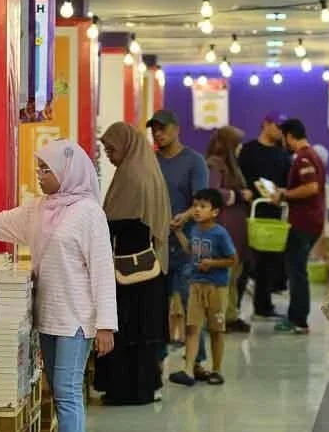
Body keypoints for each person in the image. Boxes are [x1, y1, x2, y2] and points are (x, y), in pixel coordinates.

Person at [0, 139, 117, 432]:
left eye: (47, 170)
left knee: (66, 393)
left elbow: (102, 272)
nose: (40, 175)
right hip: (47, 315)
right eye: (39, 168)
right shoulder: (40, 210)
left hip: (77, 319)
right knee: (63, 391)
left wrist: (106, 324)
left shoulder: (89, 213)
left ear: (68, 172)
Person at [98, 121, 171, 405]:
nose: (108, 154)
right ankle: (144, 387)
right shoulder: (148, 169)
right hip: (150, 269)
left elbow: (117, 223)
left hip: (130, 272)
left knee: (129, 332)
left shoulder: (131, 176)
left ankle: (126, 390)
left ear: (126, 146)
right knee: (144, 333)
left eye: (111, 148)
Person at [147, 109, 211, 377]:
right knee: (156, 305)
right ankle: (156, 359)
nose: (158, 134)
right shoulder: (151, 162)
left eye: (162, 129)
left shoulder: (194, 162)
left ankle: (198, 360)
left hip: (187, 245)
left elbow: (202, 202)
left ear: (176, 129)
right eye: (154, 130)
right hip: (157, 244)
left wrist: (183, 217)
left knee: (190, 303)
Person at [168, 188, 237, 386]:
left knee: (216, 330)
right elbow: (190, 249)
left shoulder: (220, 234)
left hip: (216, 288)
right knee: (192, 327)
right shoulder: (195, 230)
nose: (197, 210)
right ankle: (188, 370)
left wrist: (212, 264)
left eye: (203, 206)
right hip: (196, 285)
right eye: (195, 205)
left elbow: (233, 259)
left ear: (214, 212)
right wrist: (179, 232)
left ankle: (217, 370)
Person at [272, 118, 326, 334]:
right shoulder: (313, 155)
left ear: (289, 136)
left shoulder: (303, 158)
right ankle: (297, 316)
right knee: (297, 270)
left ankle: (298, 320)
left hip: (303, 222)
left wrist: (284, 194)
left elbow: (311, 187)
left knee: (296, 272)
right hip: (311, 220)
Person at [237, 111, 292, 321]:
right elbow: (240, 178)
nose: (280, 132)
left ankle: (263, 304)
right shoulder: (248, 151)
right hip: (250, 211)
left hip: (274, 214)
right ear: (266, 124)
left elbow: (288, 183)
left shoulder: (283, 154)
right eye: (277, 127)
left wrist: (281, 192)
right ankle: (235, 306)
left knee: (270, 261)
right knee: (247, 261)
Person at [205, 126, 253, 333]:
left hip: (235, 227)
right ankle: (220, 317)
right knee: (225, 274)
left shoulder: (230, 165)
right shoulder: (215, 164)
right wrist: (238, 195)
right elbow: (212, 192)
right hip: (225, 226)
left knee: (234, 273)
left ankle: (230, 315)